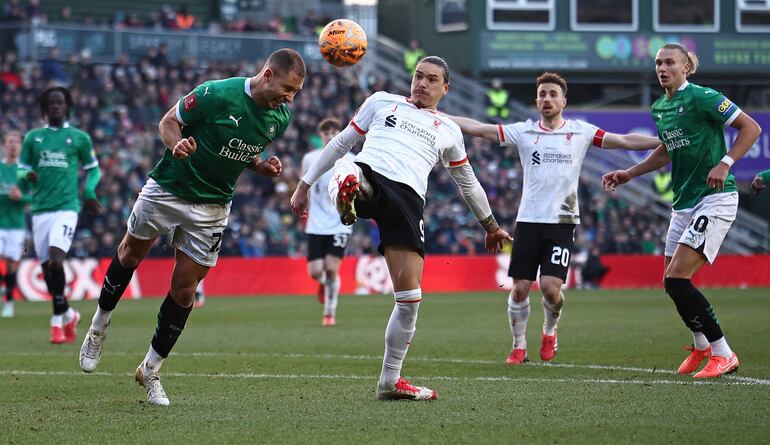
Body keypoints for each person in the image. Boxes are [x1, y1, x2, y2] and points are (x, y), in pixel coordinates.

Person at [78, 48, 306, 406]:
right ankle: (99, 325)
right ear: (267, 75)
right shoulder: (216, 93)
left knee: (185, 290)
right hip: (169, 188)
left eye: (295, 93)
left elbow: (242, 149)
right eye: (288, 88)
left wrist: (260, 167)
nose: (290, 98)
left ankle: (150, 370)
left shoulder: (280, 117)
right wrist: (177, 143)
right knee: (129, 254)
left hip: (213, 205)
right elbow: (168, 122)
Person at [291, 56, 512, 401]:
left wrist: (492, 226)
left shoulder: (450, 131)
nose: (422, 84)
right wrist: (304, 185)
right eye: (418, 76)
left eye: (432, 80)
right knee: (348, 163)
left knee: (410, 299)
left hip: (408, 200)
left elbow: (468, 183)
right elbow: (339, 142)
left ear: (445, 88)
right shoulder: (381, 101)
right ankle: (348, 190)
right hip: (371, 172)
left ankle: (389, 382)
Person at [448, 72, 661, 365]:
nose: (547, 99)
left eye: (552, 94)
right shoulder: (524, 132)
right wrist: (440, 115)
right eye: (542, 94)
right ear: (536, 101)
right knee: (520, 288)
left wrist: (661, 140)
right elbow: (480, 129)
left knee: (550, 288)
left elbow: (624, 139)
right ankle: (519, 346)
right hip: (528, 221)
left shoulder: (581, 132)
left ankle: (550, 330)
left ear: (564, 100)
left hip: (562, 222)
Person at [603, 43, 761, 379]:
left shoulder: (703, 97)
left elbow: (752, 128)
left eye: (670, 62)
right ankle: (701, 345)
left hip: (715, 197)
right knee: (670, 282)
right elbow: (667, 149)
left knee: (678, 278)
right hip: (683, 203)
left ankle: (723, 353)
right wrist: (630, 173)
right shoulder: (661, 106)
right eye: (658, 63)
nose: (662, 68)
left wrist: (725, 163)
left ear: (686, 67)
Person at [19, 87, 102, 343]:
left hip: (67, 208)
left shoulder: (79, 138)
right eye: (51, 103)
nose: (56, 106)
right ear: (44, 109)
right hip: (40, 210)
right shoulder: (33, 139)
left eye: (60, 102)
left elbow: (94, 170)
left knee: (56, 261)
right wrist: (27, 176)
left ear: (67, 107)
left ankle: (56, 320)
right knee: (47, 269)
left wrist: (88, 190)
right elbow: (20, 172)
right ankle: (68, 313)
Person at [301, 117, 354, 327]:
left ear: (339, 134)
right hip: (315, 223)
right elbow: (304, 183)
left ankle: (329, 312)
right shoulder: (309, 158)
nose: (330, 136)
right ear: (320, 135)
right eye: (326, 132)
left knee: (332, 268)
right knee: (315, 272)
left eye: (334, 132)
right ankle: (325, 284)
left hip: (340, 222)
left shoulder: (350, 158)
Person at [0, 130, 29, 318]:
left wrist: (22, 196)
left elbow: (34, 196)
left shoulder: (24, 172)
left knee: (11, 264)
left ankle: (9, 302)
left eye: (16, 142)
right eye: (9, 142)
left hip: (16, 224)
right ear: (4, 145)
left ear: (20, 146)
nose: (12, 145)